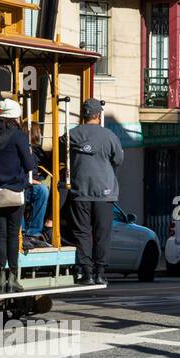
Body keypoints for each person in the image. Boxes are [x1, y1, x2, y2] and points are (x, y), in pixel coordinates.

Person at [66, 97, 124, 285]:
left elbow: (60, 149)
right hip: (104, 192)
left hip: (80, 191)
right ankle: (100, 272)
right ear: (99, 115)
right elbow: (118, 159)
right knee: (102, 233)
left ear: (83, 115)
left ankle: (87, 273)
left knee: (82, 232)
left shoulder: (71, 134)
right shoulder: (109, 136)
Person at [0, 98, 35, 293]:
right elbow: (30, 164)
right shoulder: (18, 135)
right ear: (15, 116)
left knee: (0, 233)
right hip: (15, 190)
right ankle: (13, 278)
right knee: (13, 234)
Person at [23, 122, 51, 243]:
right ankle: (22, 231)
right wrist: (28, 180)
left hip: (34, 184)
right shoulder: (22, 147)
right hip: (22, 183)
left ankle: (33, 232)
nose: (40, 134)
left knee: (43, 190)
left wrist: (40, 176)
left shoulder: (38, 150)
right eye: (39, 131)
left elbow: (48, 166)